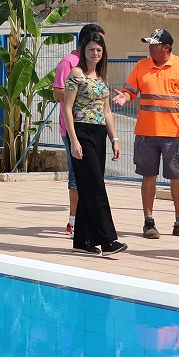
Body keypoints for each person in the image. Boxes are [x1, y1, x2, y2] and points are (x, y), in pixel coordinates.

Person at [113, 28, 179, 240]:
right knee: (149, 177)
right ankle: (149, 222)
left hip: (173, 134)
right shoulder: (141, 66)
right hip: (146, 134)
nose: (150, 48)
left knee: (177, 176)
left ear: (166, 47)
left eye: (155, 44)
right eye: (150, 44)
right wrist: (124, 97)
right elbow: (130, 91)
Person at [63, 29, 127, 255]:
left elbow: (107, 111)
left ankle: (81, 241)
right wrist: (74, 140)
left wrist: (114, 139)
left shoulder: (101, 77)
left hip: (99, 134)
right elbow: (67, 109)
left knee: (90, 186)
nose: (95, 53)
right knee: (96, 187)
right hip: (81, 132)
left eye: (99, 50)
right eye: (91, 49)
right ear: (83, 50)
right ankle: (107, 240)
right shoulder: (76, 74)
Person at [53, 22, 104, 235]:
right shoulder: (70, 63)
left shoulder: (97, 66)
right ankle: (73, 221)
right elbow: (57, 92)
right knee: (77, 176)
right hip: (74, 129)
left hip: (94, 129)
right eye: (95, 44)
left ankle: (87, 220)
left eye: (100, 46)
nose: (98, 50)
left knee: (93, 178)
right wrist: (80, 93)